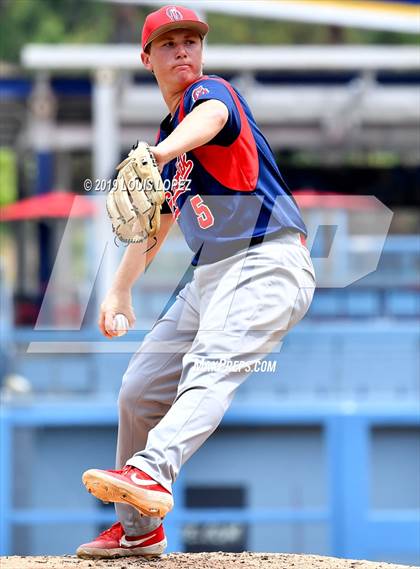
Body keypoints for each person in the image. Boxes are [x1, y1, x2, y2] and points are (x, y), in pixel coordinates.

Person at [77, 4, 316, 560]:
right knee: (139, 390)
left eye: (190, 39)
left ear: (202, 52)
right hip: (211, 274)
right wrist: (119, 290)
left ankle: (151, 473)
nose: (183, 49)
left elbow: (209, 122)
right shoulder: (167, 143)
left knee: (210, 366)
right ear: (147, 58)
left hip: (266, 261)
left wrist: (159, 152)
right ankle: (139, 531)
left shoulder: (209, 96)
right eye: (168, 43)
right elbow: (153, 226)